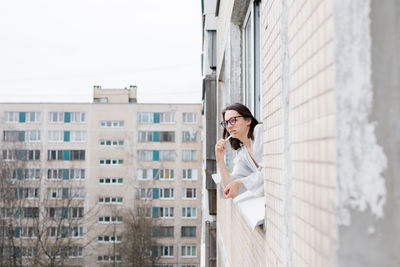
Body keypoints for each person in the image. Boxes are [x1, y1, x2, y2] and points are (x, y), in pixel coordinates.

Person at [215, 103, 264, 199]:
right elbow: (229, 187)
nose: (229, 126)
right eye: (226, 123)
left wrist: (241, 182)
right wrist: (220, 160)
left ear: (248, 120)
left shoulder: (259, 131)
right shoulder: (242, 154)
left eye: (233, 120)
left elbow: (268, 172)